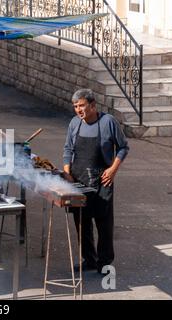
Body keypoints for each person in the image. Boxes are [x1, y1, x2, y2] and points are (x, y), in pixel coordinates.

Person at [63, 88, 129, 275]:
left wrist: (113, 169)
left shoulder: (108, 122)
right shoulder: (75, 123)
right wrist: (67, 171)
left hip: (103, 180)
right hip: (78, 179)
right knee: (81, 223)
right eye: (75, 106)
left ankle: (105, 262)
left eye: (81, 105)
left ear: (92, 105)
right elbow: (68, 149)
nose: (78, 110)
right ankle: (89, 259)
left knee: (104, 223)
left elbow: (123, 147)